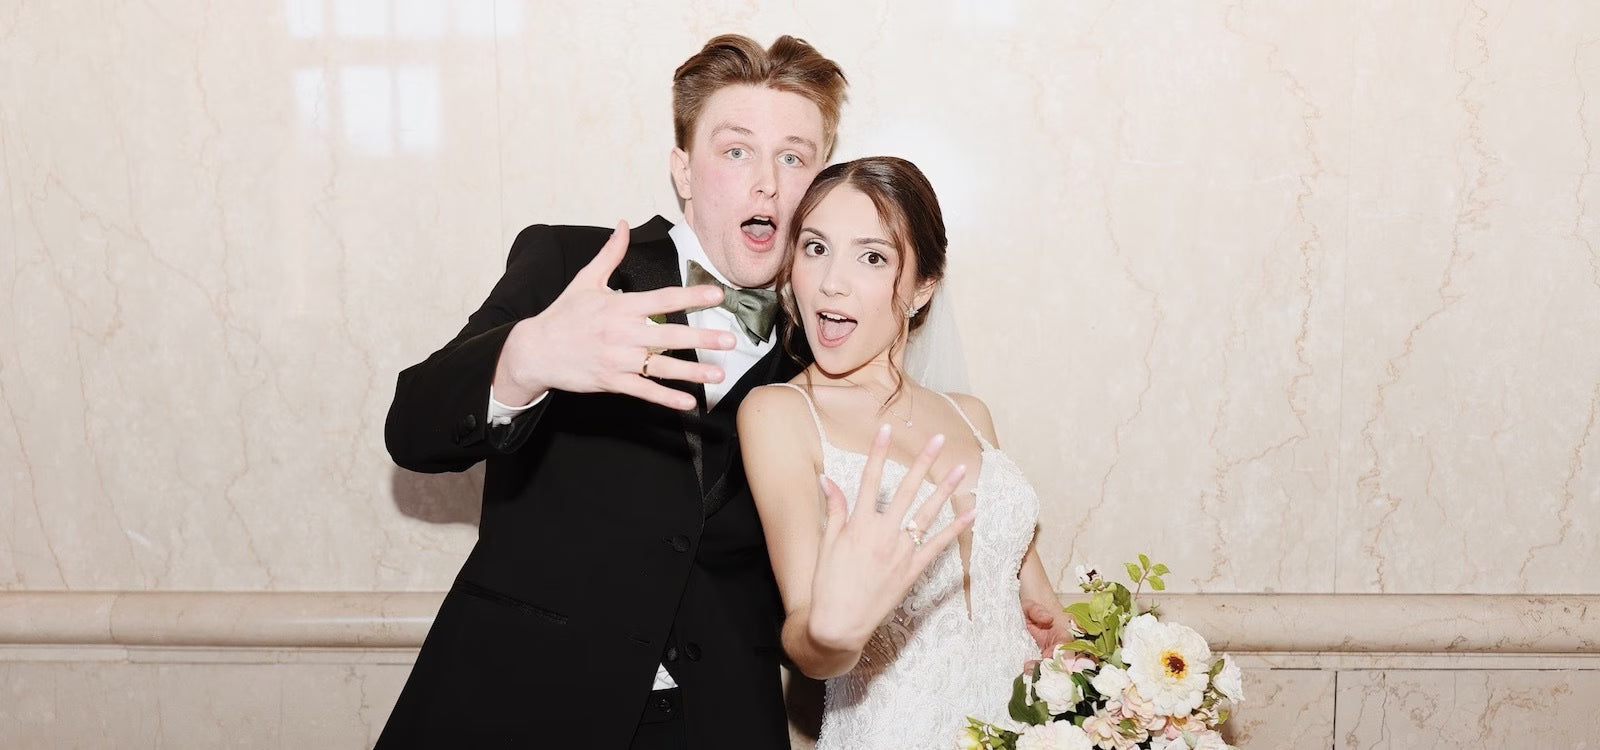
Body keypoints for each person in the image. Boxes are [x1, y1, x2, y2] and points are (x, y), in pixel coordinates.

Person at [377, 35, 848, 749]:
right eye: (736, 150)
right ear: (683, 171)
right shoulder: (576, 265)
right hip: (518, 706)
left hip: (718, 723)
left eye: (794, 157)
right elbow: (412, 429)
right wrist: (525, 358)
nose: (767, 184)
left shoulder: (825, 350)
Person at [739, 157, 1064, 749]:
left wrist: (1091, 677)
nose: (831, 282)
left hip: (1027, 729)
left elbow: (1039, 606)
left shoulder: (971, 415)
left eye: (872, 257)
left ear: (922, 287)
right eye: (815, 248)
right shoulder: (779, 413)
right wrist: (833, 634)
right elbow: (808, 638)